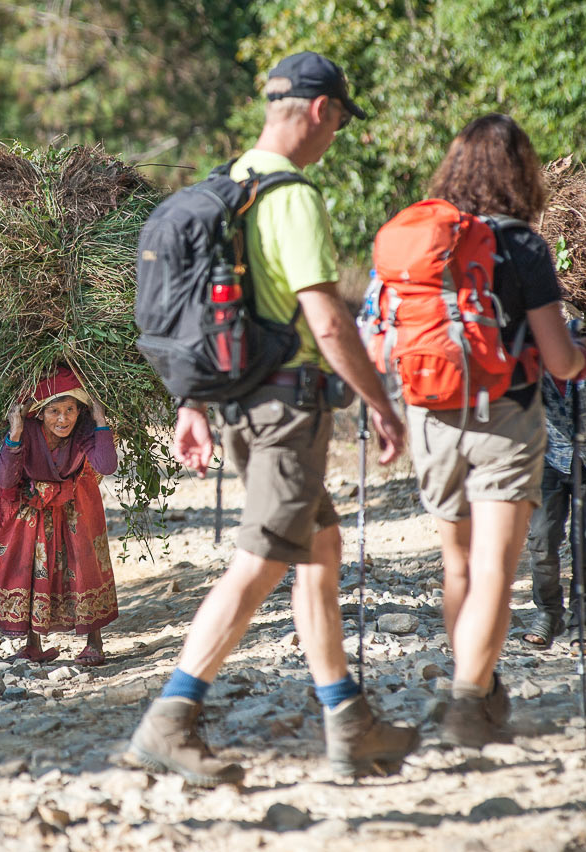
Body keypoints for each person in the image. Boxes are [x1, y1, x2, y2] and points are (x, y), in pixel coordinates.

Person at [126, 52, 418, 787]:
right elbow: (325, 317)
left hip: (240, 406)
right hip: (286, 412)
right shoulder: (291, 197)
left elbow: (207, 309)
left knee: (318, 551)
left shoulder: (231, 188)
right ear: (320, 111)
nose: (335, 137)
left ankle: (349, 721)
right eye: (340, 122)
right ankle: (170, 716)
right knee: (261, 559)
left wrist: (192, 402)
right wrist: (382, 403)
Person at [409, 114, 586, 747]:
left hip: (428, 417)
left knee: (457, 564)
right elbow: (560, 360)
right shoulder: (523, 246)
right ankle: (465, 701)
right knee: (493, 572)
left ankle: (478, 688)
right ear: (522, 172)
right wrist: (585, 356)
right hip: (504, 418)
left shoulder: (427, 237)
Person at [0, 366, 119, 665]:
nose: (63, 419)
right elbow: (5, 479)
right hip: (31, 508)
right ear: (39, 413)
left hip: (75, 504)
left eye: (70, 410)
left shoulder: (85, 429)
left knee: (83, 561)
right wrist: (15, 432)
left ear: (80, 411)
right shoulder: (27, 431)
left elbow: (106, 465)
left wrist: (100, 420)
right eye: (54, 411)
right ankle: (32, 643)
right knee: (31, 567)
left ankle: (94, 641)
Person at [522, 317, 586, 650]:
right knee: (542, 539)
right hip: (548, 458)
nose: (575, 344)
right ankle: (548, 613)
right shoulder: (537, 365)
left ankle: (583, 623)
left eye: (584, 336)